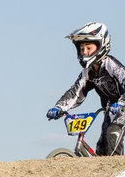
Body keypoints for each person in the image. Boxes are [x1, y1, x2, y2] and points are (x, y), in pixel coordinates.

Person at [46, 22, 125, 156]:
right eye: (82, 49)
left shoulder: (112, 66)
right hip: (110, 109)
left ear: (101, 45)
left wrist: (121, 103)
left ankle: (118, 174)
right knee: (103, 146)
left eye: (88, 48)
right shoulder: (88, 72)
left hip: (121, 106)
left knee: (113, 133)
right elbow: (76, 92)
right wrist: (59, 107)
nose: (84, 52)